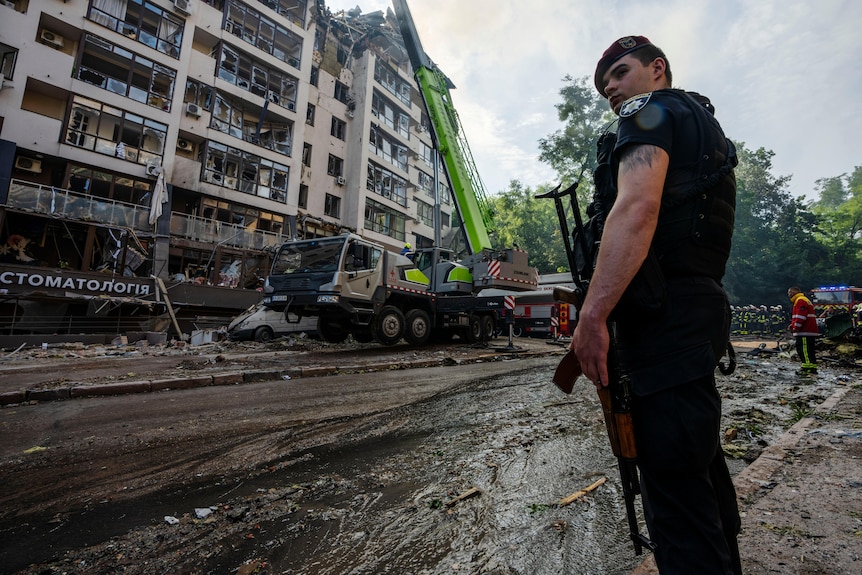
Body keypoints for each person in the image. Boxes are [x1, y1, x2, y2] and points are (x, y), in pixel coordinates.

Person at [570, 36, 741, 574]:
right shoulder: (699, 121)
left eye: (620, 73)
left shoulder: (650, 113)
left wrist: (593, 315)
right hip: (690, 308)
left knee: (673, 491)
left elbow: (637, 206)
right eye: (604, 87)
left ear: (656, 69)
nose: (613, 90)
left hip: (664, 313)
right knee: (697, 469)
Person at [787, 286, 818, 374]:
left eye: (789, 292)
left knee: (804, 350)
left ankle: (807, 369)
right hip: (808, 330)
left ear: (793, 292)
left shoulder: (800, 300)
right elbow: (801, 316)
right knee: (809, 350)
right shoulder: (803, 299)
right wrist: (792, 324)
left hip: (805, 331)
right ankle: (812, 367)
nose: (788, 294)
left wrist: (795, 327)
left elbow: (800, 316)